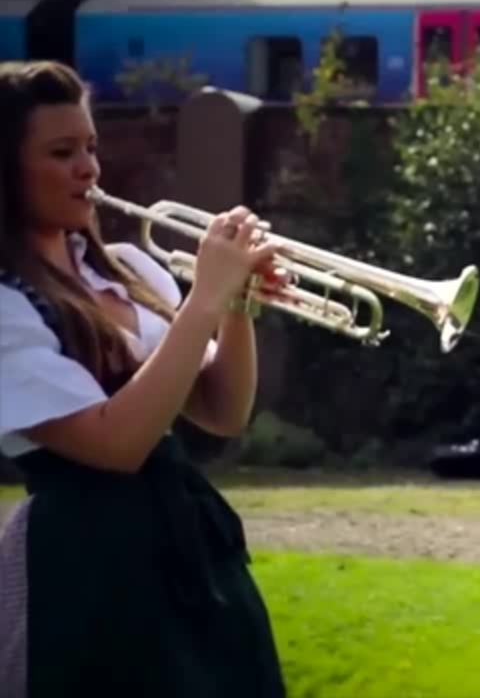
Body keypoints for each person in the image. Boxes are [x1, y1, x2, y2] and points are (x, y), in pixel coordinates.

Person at [0, 60, 287, 697]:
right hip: (87, 569)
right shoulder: (6, 307)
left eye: (91, 147)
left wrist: (236, 305)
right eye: (62, 152)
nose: (89, 169)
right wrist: (205, 298)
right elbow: (118, 443)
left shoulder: (127, 269)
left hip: (192, 552)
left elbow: (221, 412)